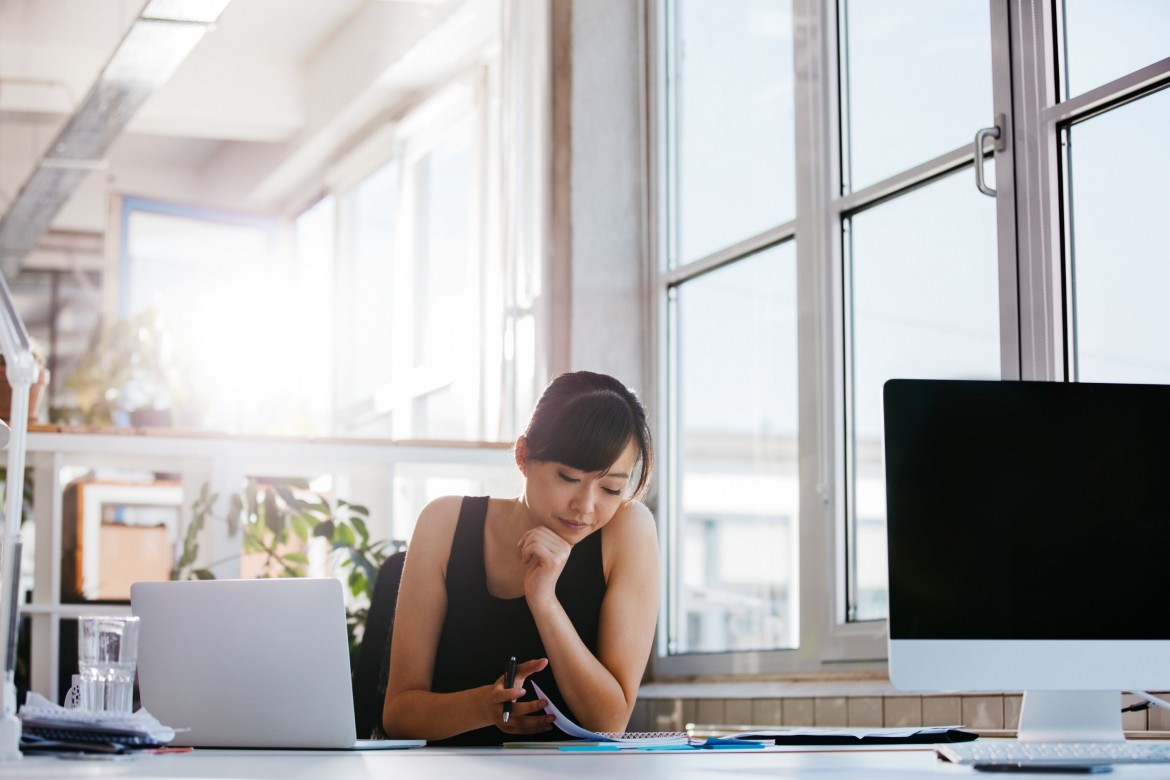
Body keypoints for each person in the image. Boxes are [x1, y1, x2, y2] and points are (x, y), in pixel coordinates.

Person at [382, 370, 659, 745]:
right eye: (568, 478)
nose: (586, 507)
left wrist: (544, 602)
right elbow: (399, 714)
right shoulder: (444, 523)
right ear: (523, 456)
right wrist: (483, 708)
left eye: (611, 488)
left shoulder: (626, 529)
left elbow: (609, 721)